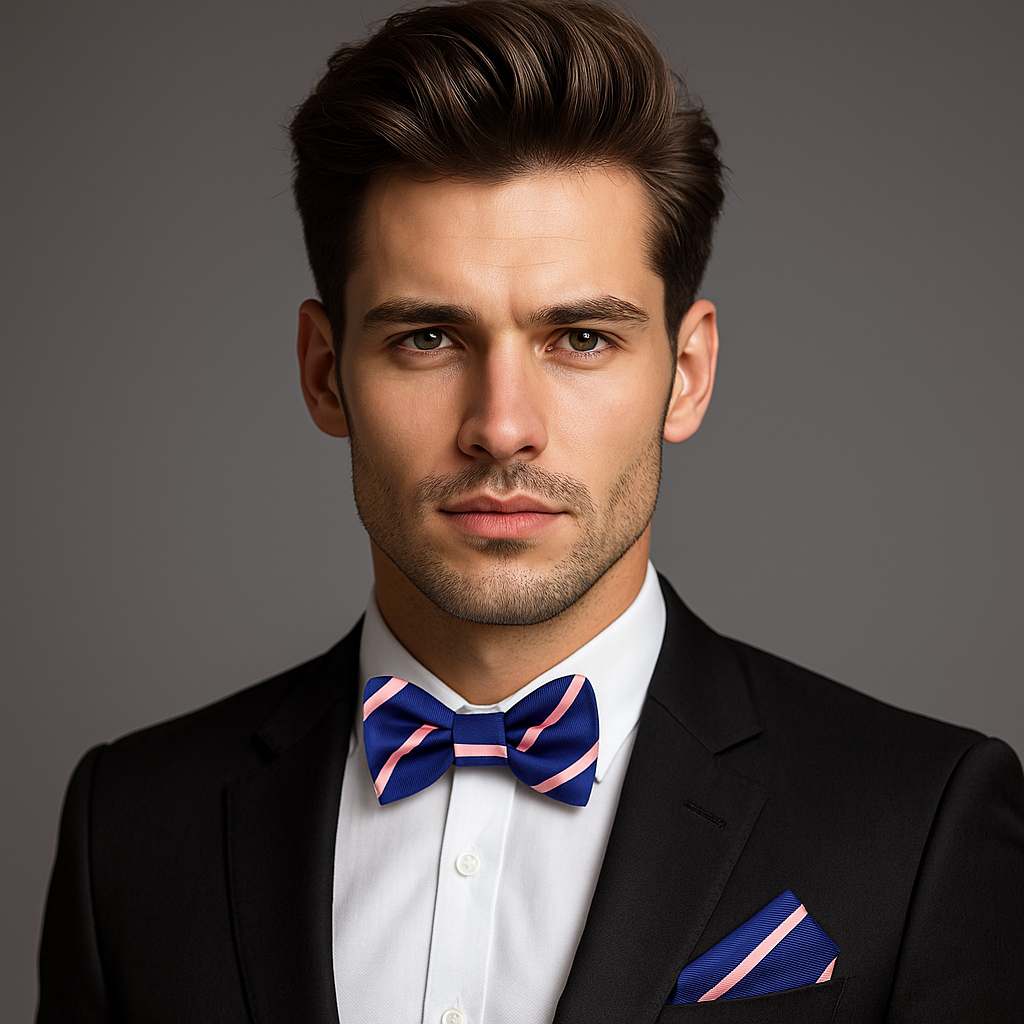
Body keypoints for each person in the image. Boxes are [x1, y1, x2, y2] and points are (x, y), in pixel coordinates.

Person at [37, 1, 1024, 1021]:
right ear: (324, 374)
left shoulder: (920, 821)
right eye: (427, 337)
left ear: (685, 375)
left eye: (582, 338)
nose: (502, 427)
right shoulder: (132, 828)